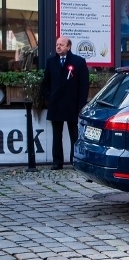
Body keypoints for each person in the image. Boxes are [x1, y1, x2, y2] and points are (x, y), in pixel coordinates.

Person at [41, 36, 90, 170]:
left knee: (74, 134)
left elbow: (84, 85)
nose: (58, 47)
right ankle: (57, 161)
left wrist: (81, 104)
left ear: (68, 47)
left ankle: (75, 160)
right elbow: (45, 83)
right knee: (57, 135)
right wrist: (49, 98)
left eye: (61, 45)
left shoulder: (78, 62)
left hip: (72, 105)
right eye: (57, 44)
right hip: (56, 104)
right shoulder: (51, 62)